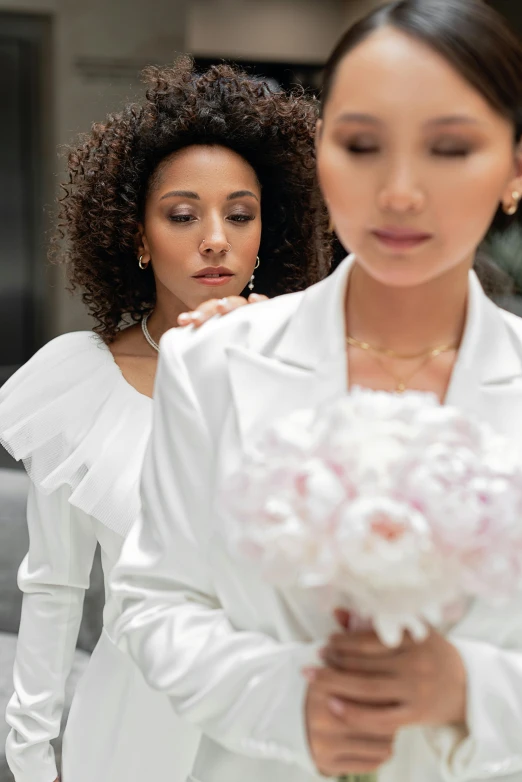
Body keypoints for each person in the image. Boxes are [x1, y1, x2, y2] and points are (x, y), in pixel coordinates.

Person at [110, 2, 522, 781]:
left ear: (514, 169)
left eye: (449, 148)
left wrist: (472, 691)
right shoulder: (217, 365)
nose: (399, 192)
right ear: (322, 153)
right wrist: (289, 704)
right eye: (361, 144)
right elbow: (155, 601)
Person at [0, 59, 331, 782]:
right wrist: (29, 759)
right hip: (129, 734)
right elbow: (54, 589)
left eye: (239, 214)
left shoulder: (313, 371)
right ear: (139, 237)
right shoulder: (79, 384)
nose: (216, 238)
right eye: (183, 215)